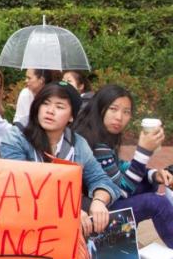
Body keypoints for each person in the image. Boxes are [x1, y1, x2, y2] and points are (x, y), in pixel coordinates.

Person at [0, 82, 121, 238]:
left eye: (59, 106)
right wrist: (67, 212)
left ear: (71, 116)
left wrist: (99, 201)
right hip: (20, 216)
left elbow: (101, 179)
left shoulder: (77, 144)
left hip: (58, 219)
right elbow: (18, 186)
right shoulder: (18, 136)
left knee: (98, 214)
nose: (50, 111)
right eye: (45, 103)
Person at [73, 84, 173, 247]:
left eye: (126, 112)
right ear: (100, 108)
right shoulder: (93, 142)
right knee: (157, 203)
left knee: (148, 184)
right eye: (113, 109)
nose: (119, 117)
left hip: (100, 204)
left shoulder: (100, 133)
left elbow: (119, 167)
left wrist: (154, 175)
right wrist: (143, 152)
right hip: (91, 213)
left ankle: (126, 240)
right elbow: (122, 191)